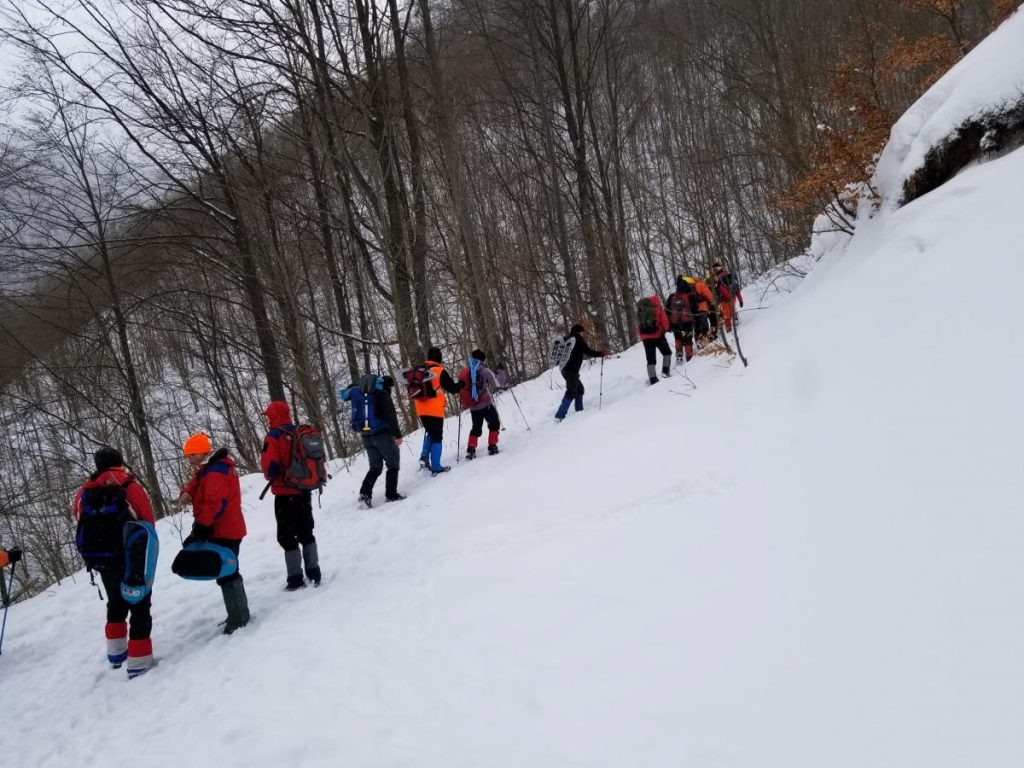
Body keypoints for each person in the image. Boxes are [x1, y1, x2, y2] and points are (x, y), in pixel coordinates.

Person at [72, 446, 156, 678]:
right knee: (139, 602)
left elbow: (77, 515)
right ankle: (139, 661)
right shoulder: (130, 487)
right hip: (130, 555)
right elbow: (147, 520)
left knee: (115, 601)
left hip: (100, 558)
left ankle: (117, 654)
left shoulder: (85, 491)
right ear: (120, 462)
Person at [177, 433, 250, 634]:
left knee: (228, 572)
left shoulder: (215, 472)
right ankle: (236, 615)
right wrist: (188, 491)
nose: (188, 459)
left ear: (201, 453)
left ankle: (239, 618)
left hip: (225, 530)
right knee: (225, 572)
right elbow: (199, 481)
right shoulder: (210, 468)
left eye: (191, 455)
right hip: (224, 528)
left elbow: (214, 504)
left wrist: (200, 529)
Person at [261, 401, 322, 590]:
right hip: (304, 491)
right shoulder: (299, 432)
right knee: (306, 532)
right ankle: (314, 573)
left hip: (285, 493)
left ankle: (295, 579)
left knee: (286, 536)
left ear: (273, 416)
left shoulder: (273, 437)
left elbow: (269, 470)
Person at [341, 375, 405, 507]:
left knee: (375, 467)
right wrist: (397, 435)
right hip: (381, 435)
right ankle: (391, 494)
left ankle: (364, 495)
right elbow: (390, 416)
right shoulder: (382, 395)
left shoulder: (359, 393)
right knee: (393, 464)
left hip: (366, 435)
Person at [413, 346, 465, 475]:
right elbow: (453, 389)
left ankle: (424, 456)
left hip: (420, 409)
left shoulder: (419, 370)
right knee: (437, 437)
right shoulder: (439, 371)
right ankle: (436, 466)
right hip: (434, 409)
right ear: (438, 358)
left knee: (431, 432)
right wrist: (461, 385)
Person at [555, 324, 607, 421]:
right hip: (571, 370)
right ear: (579, 331)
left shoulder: (566, 338)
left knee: (579, 389)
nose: (583, 334)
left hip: (564, 369)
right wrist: (600, 353)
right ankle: (559, 416)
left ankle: (579, 411)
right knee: (571, 391)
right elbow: (587, 351)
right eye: (582, 332)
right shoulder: (577, 338)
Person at [458, 349, 502, 459]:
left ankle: (471, 450)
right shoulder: (484, 370)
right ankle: (492, 446)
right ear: (482, 360)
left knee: (476, 428)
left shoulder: (465, 372)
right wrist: (501, 372)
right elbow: (497, 383)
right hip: (486, 404)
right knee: (494, 424)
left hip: (473, 406)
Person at [637, 295, 671, 384]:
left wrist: (643, 337)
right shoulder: (658, 309)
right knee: (667, 353)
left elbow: (639, 327)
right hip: (658, 336)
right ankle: (665, 372)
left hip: (646, 339)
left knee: (650, 359)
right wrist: (665, 330)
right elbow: (665, 322)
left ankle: (653, 379)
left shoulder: (641, 312)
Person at [664, 277, 700, 362]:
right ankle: (689, 356)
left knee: (678, 338)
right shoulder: (690, 296)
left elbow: (667, 310)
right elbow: (695, 309)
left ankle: (679, 355)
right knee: (688, 338)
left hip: (675, 322)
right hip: (687, 321)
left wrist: (669, 322)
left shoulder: (672, 296)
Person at [711, 262, 743, 333]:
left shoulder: (717, 279)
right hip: (733, 296)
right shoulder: (729, 275)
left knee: (726, 314)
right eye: (713, 270)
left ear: (718, 269)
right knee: (732, 310)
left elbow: (720, 290)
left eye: (715, 269)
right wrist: (740, 300)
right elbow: (736, 289)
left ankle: (729, 329)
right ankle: (736, 323)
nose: (714, 271)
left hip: (724, 299)